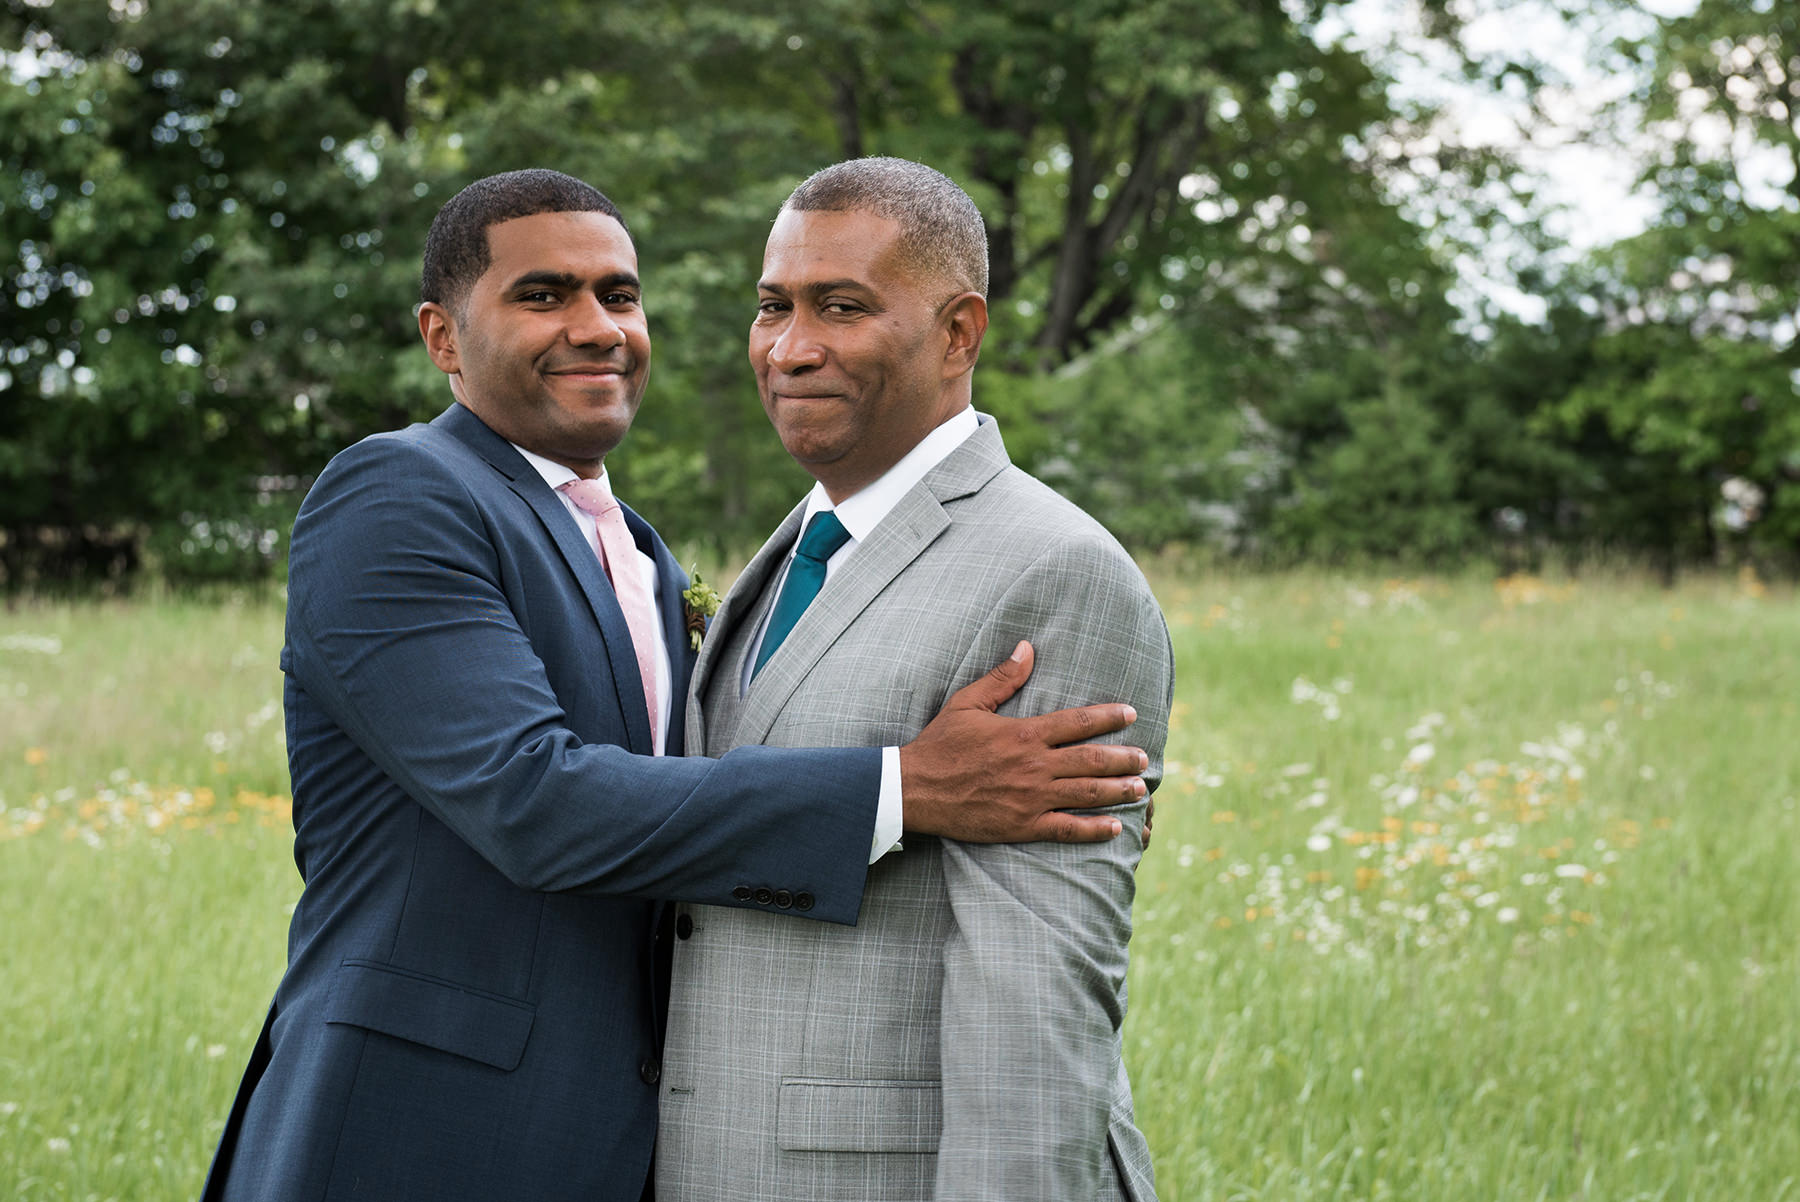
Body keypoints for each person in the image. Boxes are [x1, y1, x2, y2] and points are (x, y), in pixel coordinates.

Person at [199, 169, 1152, 1202]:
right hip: (412, 1128)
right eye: (541, 295)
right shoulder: (398, 496)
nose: (596, 328)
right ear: (442, 336)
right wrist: (902, 788)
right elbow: (535, 800)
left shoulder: (657, 563)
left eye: (618, 294)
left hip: (618, 1143)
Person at [656, 158, 1174, 1200]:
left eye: (841, 307)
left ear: (958, 333)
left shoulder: (1053, 572)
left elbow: (1036, 1004)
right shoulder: (803, 538)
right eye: (773, 307)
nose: (792, 347)